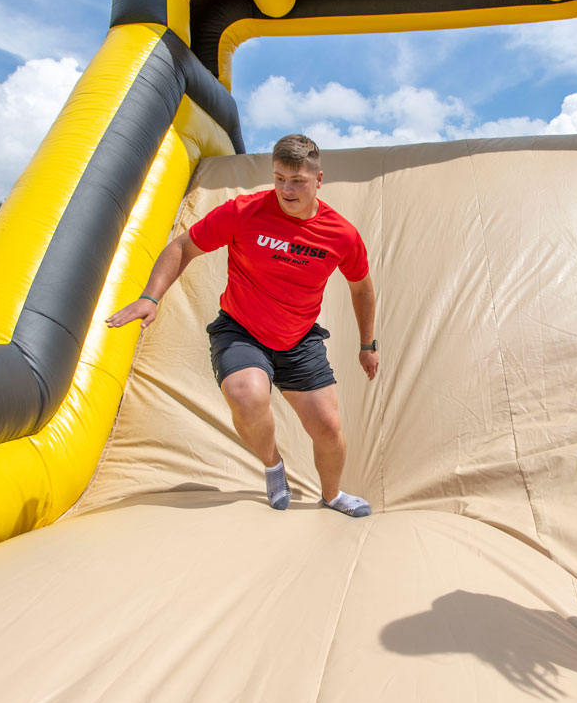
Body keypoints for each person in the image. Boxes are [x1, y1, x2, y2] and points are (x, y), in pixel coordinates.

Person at [108, 134, 379, 517]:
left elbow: (362, 289)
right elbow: (183, 246)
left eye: (297, 180)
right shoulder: (244, 211)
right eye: (279, 178)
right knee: (246, 395)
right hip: (242, 329)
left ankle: (332, 495)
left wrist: (368, 345)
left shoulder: (341, 234)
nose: (286, 189)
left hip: (299, 339)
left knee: (329, 429)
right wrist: (151, 297)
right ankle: (273, 465)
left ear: (318, 180)